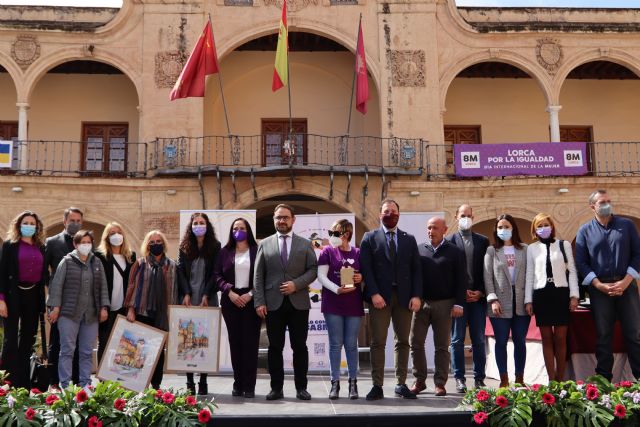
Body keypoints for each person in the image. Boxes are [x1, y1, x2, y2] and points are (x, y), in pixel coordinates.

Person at [253, 204, 318, 401]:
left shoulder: (305, 244)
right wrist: (259, 302)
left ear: (293, 220)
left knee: (300, 346)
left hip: (298, 302)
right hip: (273, 304)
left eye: (285, 217)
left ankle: (301, 388)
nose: (282, 221)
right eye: (278, 217)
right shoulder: (264, 244)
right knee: (275, 347)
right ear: (274, 220)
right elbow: (258, 275)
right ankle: (276, 388)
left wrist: (296, 284)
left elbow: (313, 270)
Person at [360, 199, 422, 401]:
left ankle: (400, 383)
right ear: (380, 215)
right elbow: (366, 269)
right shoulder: (369, 238)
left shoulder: (409, 239)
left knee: (403, 341)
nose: (390, 214)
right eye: (387, 211)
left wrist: (416, 295)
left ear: (399, 215)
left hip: (404, 299)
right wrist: (373, 293)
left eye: (394, 211)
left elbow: (416, 271)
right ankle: (377, 385)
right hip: (380, 298)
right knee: (378, 341)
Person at [575, 189, 640, 381]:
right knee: (604, 336)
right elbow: (581, 262)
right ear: (592, 206)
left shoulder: (626, 226)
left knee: (634, 334)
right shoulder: (584, 231)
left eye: (609, 201)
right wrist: (597, 285)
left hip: (627, 286)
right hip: (600, 290)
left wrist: (626, 281)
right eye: (602, 202)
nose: (607, 205)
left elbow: (638, 255)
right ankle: (603, 381)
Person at [410, 217, 466, 397]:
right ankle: (419, 381)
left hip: (445, 304)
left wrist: (459, 303)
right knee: (415, 342)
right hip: (422, 304)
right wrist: (415, 297)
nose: (430, 231)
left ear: (444, 230)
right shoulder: (419, 250)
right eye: (428, 228)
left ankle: (440, 383)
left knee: (441, 346)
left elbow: (461, 279)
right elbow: (415, 276)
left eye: (435, 228)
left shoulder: (455, 252)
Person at [47, 230, 109, 390]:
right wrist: (55, 308)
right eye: (83, 242)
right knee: (67, 350)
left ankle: (85, 385)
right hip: (68, 314)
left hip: (91, 315)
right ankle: (66, 385)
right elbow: (57, 285)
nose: (86, 245)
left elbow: (103, 287)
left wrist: (104, 307)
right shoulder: (66, 261)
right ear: (75, 244)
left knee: (87, 352)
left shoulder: (96, 263)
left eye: (89, 242)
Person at [524, 213, 579, 383]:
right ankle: (551, 380)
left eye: (545, 225)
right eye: (539, 226)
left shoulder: (564, 245)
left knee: (561, 338)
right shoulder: (531, 248)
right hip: (542, 295)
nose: (543, 228)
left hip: (560, 293)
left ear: (552, 226)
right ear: (534, 230)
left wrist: (574, 296)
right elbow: (529, 275)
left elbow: (572, 271)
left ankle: (561, 379)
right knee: (547, 338)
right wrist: (528, 300)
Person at [124, 230, 179, 389]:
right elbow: (132, 287)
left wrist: (173, 314)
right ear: (147, 245)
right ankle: (139, 384)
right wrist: (131, 309)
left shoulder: (172, 265)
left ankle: (156, 385)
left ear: (164, 243)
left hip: (162, 315)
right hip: (142, 313)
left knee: (158, 351)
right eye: (152, 242)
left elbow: (175, 290)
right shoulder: (140, 263)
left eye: (159, 241)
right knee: (141, 349)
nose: (156, 244)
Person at [0, 211, 48, 388]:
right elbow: (2, 274)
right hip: (13, 295)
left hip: (33, 295)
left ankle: (23, 383)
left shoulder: (41, 246)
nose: (29, 226)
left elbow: (44, 276)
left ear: (37, 226)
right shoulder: (9, 246)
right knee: (10, 340)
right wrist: (1, 299)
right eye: (25, 222)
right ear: (19, 225)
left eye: (32, 223)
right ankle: (6, 383)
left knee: (28, 339)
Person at [316, 219, 364, 400]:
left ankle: (353, 383)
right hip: (333, 303)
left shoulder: (358, 252)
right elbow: (320, 276)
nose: (331, 236)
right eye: (331, 232)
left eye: (335, 233)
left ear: (346, 234)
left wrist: (360, 277)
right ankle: (334, 383)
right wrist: (337, 289)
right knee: (336, 344)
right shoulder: (327, 251)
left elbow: (364, 273)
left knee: (351, 345)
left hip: (353, 303)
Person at [215, 218, 261, 398]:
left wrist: (250, 294)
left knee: (250, 344)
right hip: (231, 301)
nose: (238, 231)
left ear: (248, 231)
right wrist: (229, 292)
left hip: (252, 300)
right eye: (235, 228)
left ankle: (249, 386)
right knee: (235, 344)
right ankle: (238, 383)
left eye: (242, 228)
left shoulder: (257, 251)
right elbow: (217, 275)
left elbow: (263, 276)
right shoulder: (224, 252)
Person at [447, 204, 490, 392]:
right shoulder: (448, 241)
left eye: (469, 215)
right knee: (456, 339)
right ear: (456, 216)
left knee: (479, 339)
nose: (466, 218)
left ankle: (479, 378)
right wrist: (460, 292)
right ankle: (459, 378)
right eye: (462, 215)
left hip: (477, 299)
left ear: (474, 216)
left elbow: (487, 272)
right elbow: (445, 272)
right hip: (458, 299)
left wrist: (480, 292)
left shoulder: (483, 241)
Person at [177, 212, 221, 396]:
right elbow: (180, 271)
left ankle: (203, 380)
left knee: (204, 341)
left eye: (202, 222)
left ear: (207, 225)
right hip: (188, 299)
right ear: (191, 226)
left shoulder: (215, 246)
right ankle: (189, 381)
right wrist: (186, 292)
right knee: (187, 341)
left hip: (207, 298)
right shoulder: (184, 246)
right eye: (195, 223)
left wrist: (205, 293)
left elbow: (216, 272)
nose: (199, 225)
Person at [484, 214, 529, 387]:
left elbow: (530, 275)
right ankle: (504, 379)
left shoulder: (524, 249)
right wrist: (493, 299)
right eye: (500, 227)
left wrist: (529, 299)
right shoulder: (491, 250)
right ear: (496, 230)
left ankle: (519, 379)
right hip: (500, 303)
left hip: (521, 302)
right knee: (501, 341)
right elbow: (488, 277)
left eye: (507, 227)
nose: (503, 230)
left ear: (513, 228)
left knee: (520, 341)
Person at [45, 206, 84, 389]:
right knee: (57, 341)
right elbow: (43, 271)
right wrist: (52, 291)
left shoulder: (84, 243)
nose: (75, 224)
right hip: (58, 302)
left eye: (78, 221)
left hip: (79, 302)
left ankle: (75, 382)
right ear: (64, 221)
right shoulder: (52, 242)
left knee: (76, 341)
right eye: (72, 220)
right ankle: (54, 382)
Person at [95, 222, 136, 365]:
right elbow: (97, 284)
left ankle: (119, 381)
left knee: (122, 345)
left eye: (118, 232)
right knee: (105, 343)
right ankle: (102, 383)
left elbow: (134, 284)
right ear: (107, 237)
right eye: (112, 233)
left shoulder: (131, 257)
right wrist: (102, 307)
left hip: (124, 308)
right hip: (106, 308)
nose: (116, 236)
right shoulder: (99, 256)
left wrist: (131, 308)